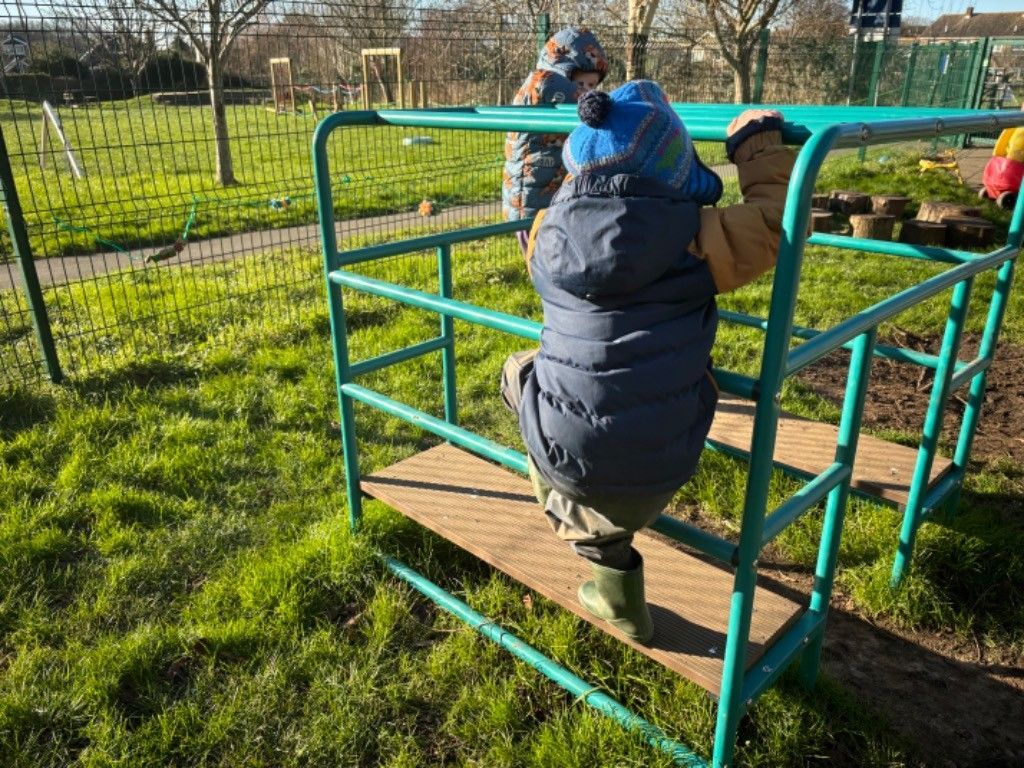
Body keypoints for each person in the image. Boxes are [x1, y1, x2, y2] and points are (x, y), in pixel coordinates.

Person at [500, 81, 795, 644]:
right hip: (665, 457)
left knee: (521, 375)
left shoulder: (543, 237)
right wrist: (756, 146)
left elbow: (539, 205)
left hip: (566, 454)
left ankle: (608, 572)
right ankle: (604, 554)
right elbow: (779, 222)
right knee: (609, 420)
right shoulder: (698, 239)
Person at [502, 27, 608, 254]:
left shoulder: (557, 92)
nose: (587, 93)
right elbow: (556, 89)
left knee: (551, 259)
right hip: (531, 200)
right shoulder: (544, 83)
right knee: (542, 258)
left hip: (548, 198)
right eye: (582, 85)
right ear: (565, 72)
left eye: (593, 86)